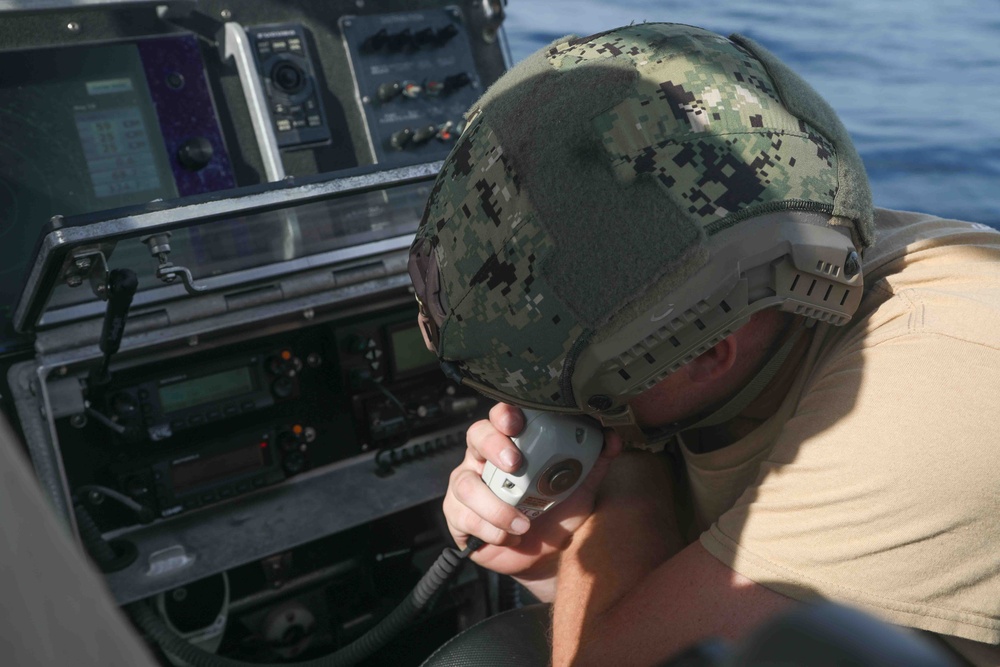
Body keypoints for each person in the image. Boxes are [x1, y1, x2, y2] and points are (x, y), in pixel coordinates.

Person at [407, 23, 1000, 667]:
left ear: (707, 350)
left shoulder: (928, 399)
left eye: (582, 400)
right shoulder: (764, 259)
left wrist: (625, 479)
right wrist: (550, 552)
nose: (572, 415)